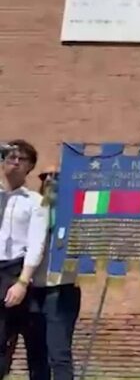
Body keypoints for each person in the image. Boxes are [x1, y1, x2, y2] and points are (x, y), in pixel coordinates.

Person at [13, 166, 82, 380]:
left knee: (58, 354)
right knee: (36, 355)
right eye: (46, 176)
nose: (51, 180)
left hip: (61, 289)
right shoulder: (33, 211)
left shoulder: (75, 217)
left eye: (57, 176)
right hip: (32, 290)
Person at [0, 140, 48, 378]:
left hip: (13, 269)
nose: (15, 162)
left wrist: (21, 281)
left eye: (22, 159)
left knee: (10, 337)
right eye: (10, 157)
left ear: (30, 167)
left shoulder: (35, 202)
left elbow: (36, 244)